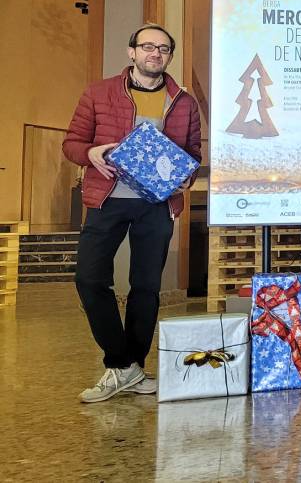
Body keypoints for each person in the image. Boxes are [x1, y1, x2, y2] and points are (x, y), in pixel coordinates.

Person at [62, 23, 202, 403]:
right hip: (106, 199)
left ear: (169, 56)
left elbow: (192, 154)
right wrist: (89, 153)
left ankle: (131, 365)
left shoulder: (184, 102)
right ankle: (122, 365)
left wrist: (183, 179)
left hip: (156, 204)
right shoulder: (99, 92)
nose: (155, 54)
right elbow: (72, 143)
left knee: (146, 288)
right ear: (132, 52)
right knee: (89, 279)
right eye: (147, 47)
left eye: (163, 49)